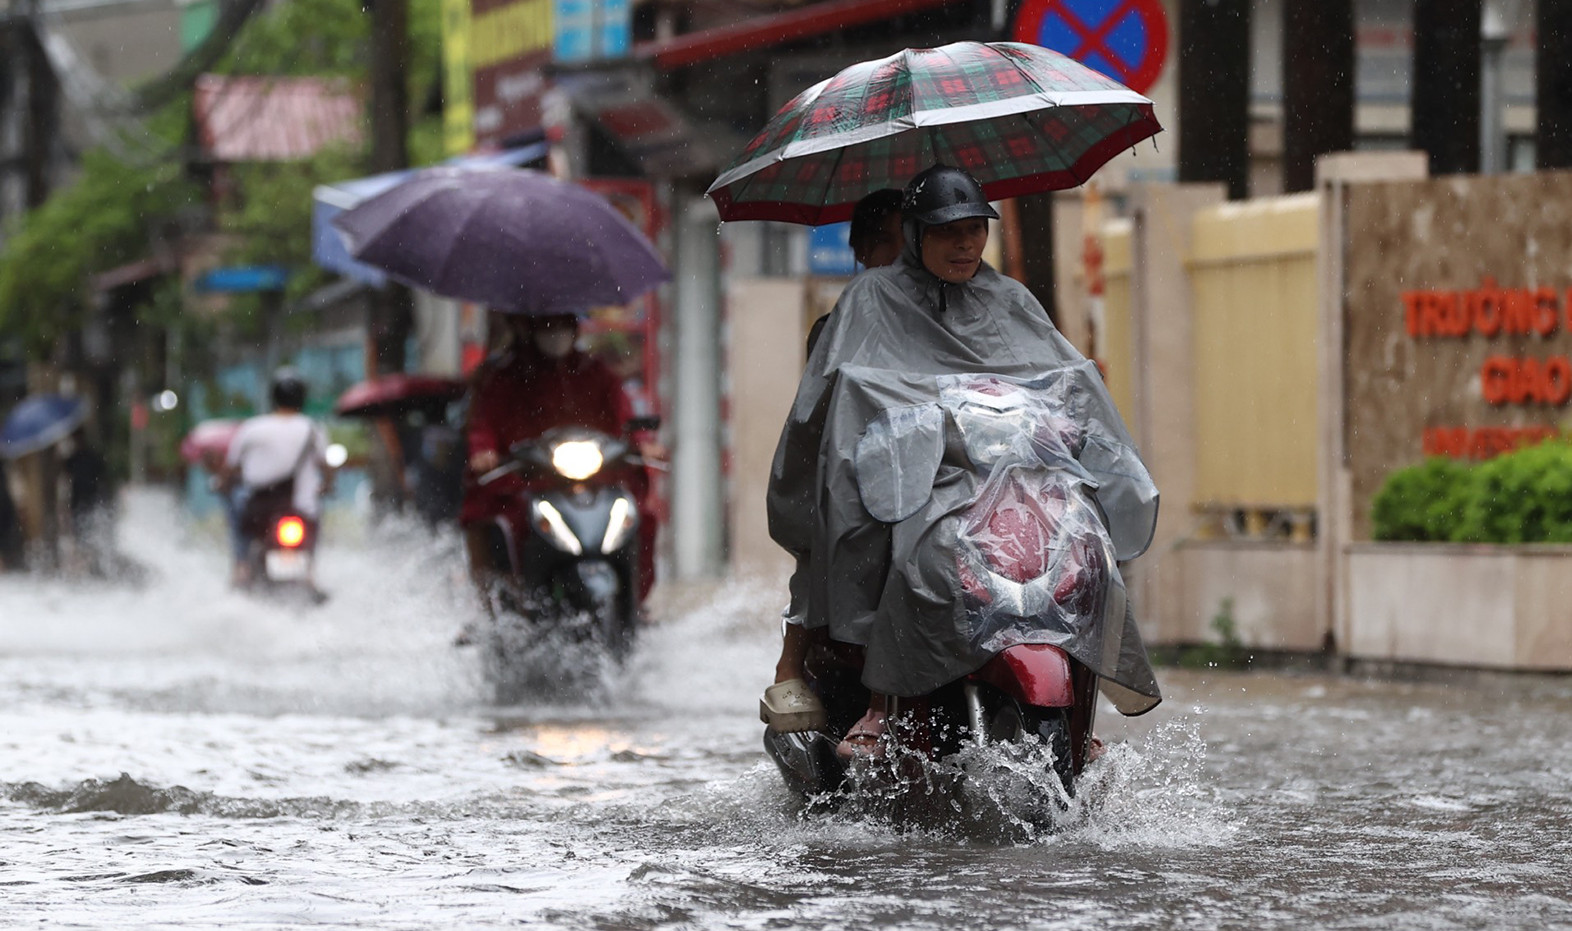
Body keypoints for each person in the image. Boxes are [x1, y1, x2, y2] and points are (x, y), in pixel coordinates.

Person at [764, 165, 1161, 761]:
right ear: (915, 233)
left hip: (1011, 474)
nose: (965, 243)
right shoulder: (870, 297)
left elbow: (1065, 378)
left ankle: (1082, 704)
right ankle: (880, 703)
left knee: (1081, 537)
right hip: (921, 477)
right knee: (897, 538)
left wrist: (1078, 427)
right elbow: (844, 398)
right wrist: (910, 428)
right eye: (949, 231)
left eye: (976, 229)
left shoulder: (1010, 299)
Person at [760, 188, 906, 734]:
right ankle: (791, 666)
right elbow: (819, 423)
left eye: (911, 240)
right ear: (863, 251)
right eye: (889, 242)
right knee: (841, 529)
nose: (902, 255)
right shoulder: (838, 325)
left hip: (952, 473)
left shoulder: (966, 311)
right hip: (870, 475)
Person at [461, 312, 656, 603]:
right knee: (500, 522)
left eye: (562, 325)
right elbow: (484, 425)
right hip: (527, 481)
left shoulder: (595, 372)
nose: (556, 334)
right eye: (547, 326)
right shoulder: (506, 376)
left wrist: (642, 443)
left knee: (641, 518)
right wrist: (484, 452)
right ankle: (508, 602)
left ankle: (635, 603)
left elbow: (624, 416)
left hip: (595, 479)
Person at [221, 368, 334, 594]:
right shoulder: (313, 429)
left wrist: (223, 484)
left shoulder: (251, 428)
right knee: (315, 519)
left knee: (236, 510)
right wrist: (326, 486)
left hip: (259, 511)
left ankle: (240, 567)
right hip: (302, 510)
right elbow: (327, 468)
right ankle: (309, 572)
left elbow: (229, 469)